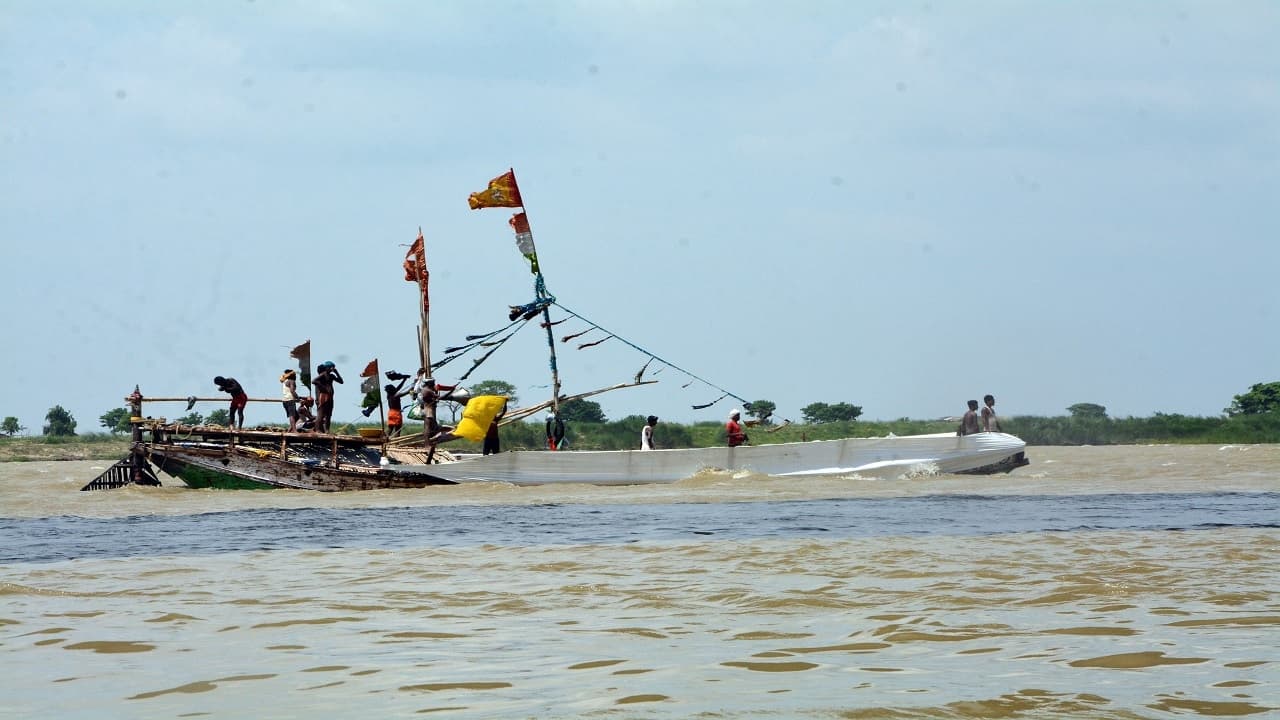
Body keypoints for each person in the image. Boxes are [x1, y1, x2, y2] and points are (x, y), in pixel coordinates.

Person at [312, 362, 344, 434]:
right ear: (326, 368)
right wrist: (323, 387)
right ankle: (317, 430)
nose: (332, 369)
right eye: (331, 367)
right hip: (323, 396)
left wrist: (337, 372)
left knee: (328, 414)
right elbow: (314, 381)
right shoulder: (323, 374)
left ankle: (327, 430)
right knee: (321, 414)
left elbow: (341, 381)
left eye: (333, 367)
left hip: (330, 396)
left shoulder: (331, 376)